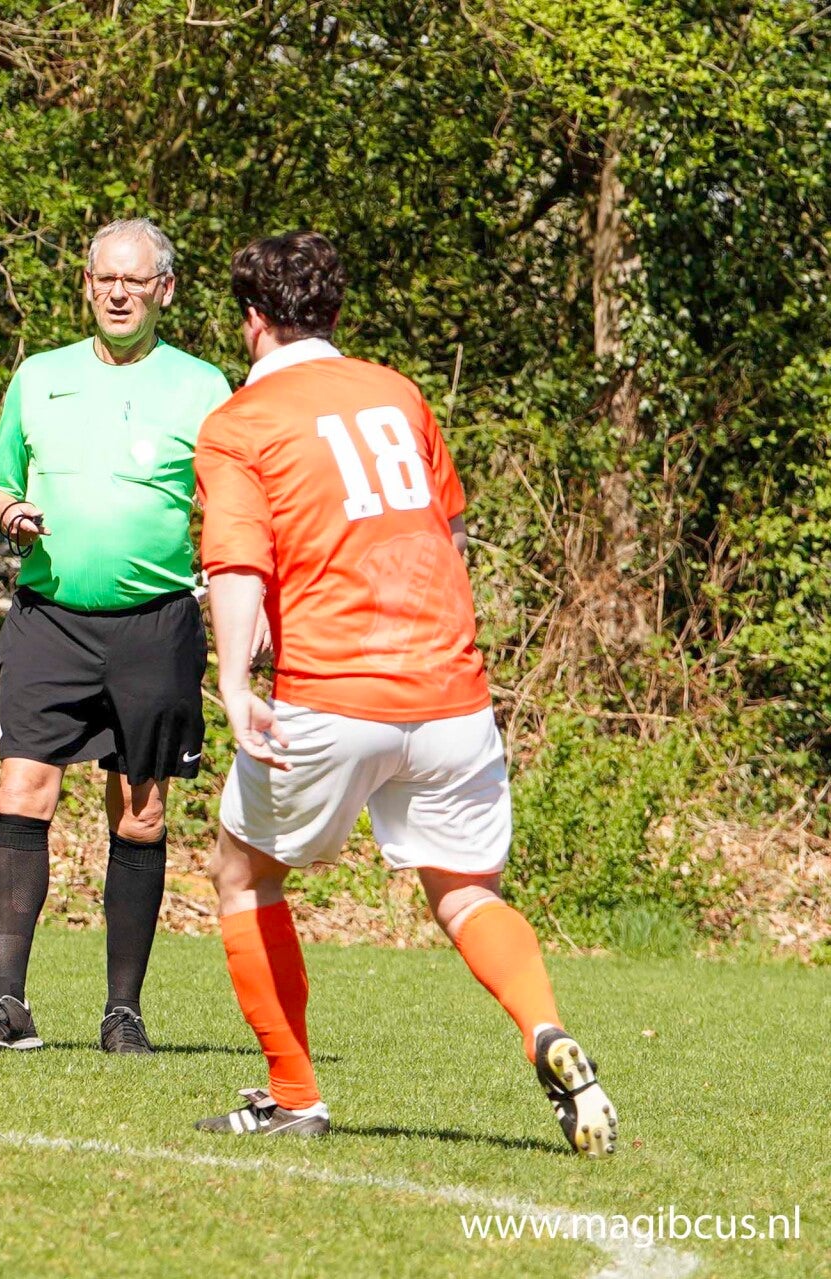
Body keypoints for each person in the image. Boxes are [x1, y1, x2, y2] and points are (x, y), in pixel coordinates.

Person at [191, 231, 617, 1154]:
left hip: (334, 686)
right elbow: (445, 534)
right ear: (333, 312)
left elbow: (235, 561)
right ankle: (545, 1029)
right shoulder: (397, 392)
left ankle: (293, 1095)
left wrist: (231, 679)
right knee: (464, 893)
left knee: (243, 871)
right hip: (451, 689)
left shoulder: (238, 421)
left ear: (253, 320)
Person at [0, 218, 233, 1055]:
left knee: (140, 814)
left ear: (163, 291)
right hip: (49, 620)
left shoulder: (203, 386)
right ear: (85, 284)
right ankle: (5, 1004)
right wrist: (9, 510)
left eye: (133, 281)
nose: (117, 293)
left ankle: (123, 1013)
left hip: (155, 626)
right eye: (103, 279)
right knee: (21, 790)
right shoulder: (39, 376)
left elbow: (230, 504)